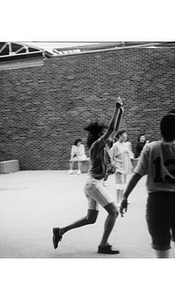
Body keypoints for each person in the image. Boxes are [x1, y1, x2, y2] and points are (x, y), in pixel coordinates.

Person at [120, 110, 175, 258]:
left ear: (160, 129)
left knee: (161, 251)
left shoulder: (150, 148)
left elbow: (137, 175)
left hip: (157, 201)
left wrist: (125, 197)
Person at [53, 97, 124, 254]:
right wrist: (116, 109)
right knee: (114, 212)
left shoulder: (105, 149)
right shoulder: (96, 146)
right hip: (94, 184)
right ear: (99, 139)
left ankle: (60, 231)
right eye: (105, 137)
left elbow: (115, 130)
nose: (110, 138)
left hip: (91, 185)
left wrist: (121, 112)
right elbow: (112, 129)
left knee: (90, 218)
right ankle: (103, 245)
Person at [111, 130, 134, 205]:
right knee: (119, 184)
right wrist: (114, 164)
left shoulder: (126, 145)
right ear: (120, 136)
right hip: (118, 166)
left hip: (125, 166)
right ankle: (118, 201)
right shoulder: (115, 145)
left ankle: (123, 199)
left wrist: (130, 165)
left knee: (123, 183)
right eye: (124, 136)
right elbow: (111, 156)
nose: (125, 138)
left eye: (126, 137)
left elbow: (128, 155)